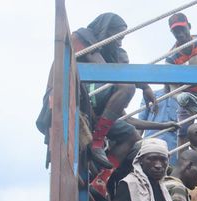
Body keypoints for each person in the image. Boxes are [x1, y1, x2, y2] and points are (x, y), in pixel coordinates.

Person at [37, 14, 136, 155]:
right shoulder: (82, 37)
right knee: (127, 87)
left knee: (132, 135)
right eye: (118, 37)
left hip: (86, 100)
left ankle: (104, 176)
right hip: (67, 97)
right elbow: (105, 70)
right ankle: (98, 140)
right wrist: (143, 86)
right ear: (106, 30)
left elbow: (123, 114)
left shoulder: (98, 47)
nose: (119, 43)